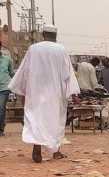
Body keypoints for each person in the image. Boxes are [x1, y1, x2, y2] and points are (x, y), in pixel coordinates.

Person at [8, 25, 80, 162]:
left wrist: (23, 92)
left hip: (36, 91)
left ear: (43, 34)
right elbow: (67, 74)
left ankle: (37, 146)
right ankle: (56, 151)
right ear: (56, 36)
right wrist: (73, 93)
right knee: (56, 121)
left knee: (37, 119)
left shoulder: (33, 49)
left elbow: (24, 71)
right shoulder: (61, 50)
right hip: (55, 92)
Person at [0, 42, 15, 136]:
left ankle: (1, 129)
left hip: (4, 88)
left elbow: (12, 73)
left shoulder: (7, 59)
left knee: (1, 108)